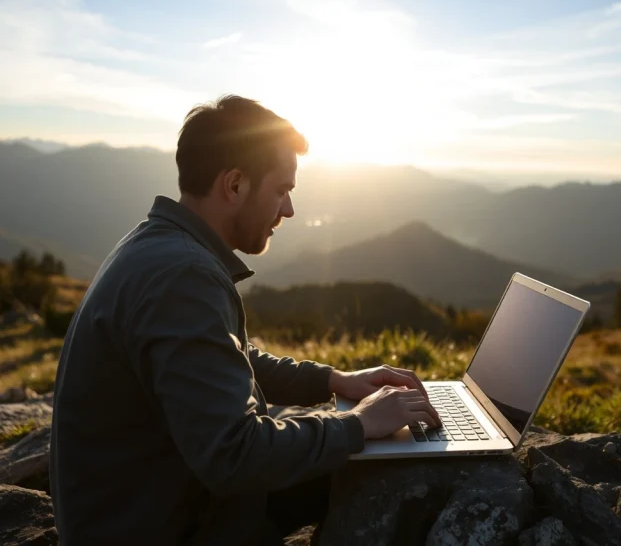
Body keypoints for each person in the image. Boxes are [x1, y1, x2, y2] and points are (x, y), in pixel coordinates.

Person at [49, 95, 441, 546]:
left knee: (359, 452)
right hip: (162, 526)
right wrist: (360, 424)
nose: (289, 209)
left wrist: (336, 381)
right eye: (281, 190)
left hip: (150, 502)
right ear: (234, 185)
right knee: (383, 464)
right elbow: (234, 455)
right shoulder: (183, 276)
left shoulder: (157, 242)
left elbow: (226, 354)